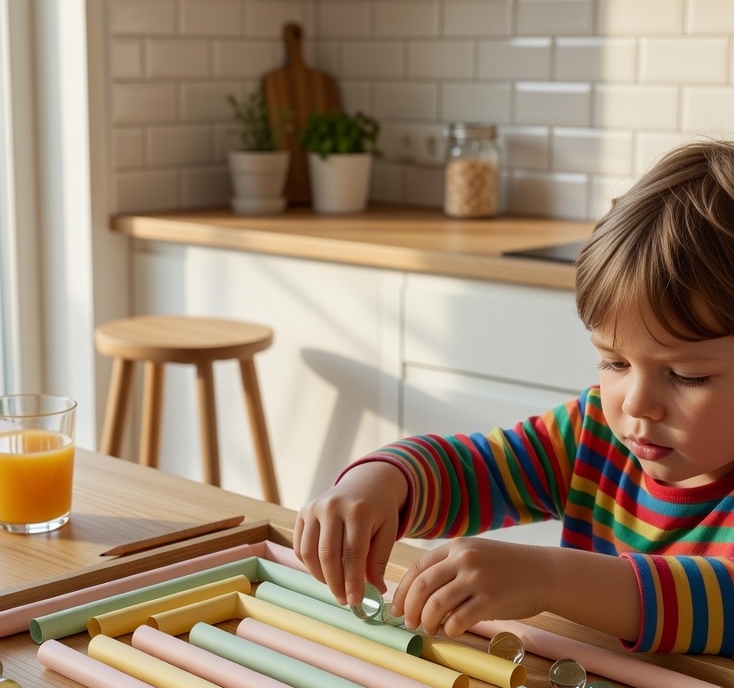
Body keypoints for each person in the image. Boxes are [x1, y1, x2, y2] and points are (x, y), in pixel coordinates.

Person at [294, 141, 734, 656]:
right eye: (615, 363)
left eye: (686, 375)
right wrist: (384, 482)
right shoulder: (593, 433)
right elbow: (479, 468)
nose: (636, 404)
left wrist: (549, 575)